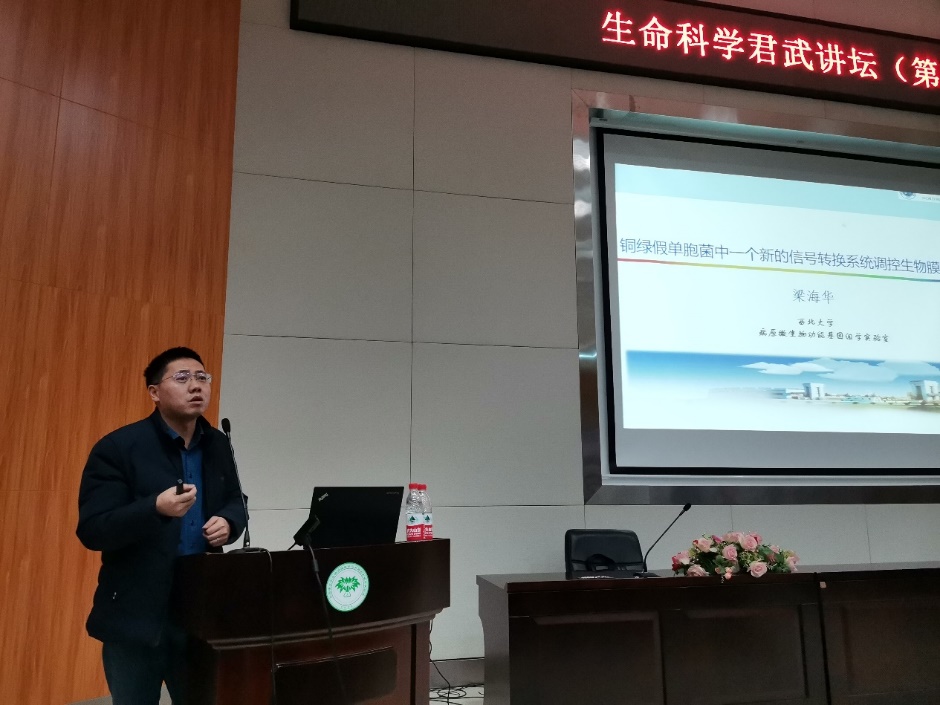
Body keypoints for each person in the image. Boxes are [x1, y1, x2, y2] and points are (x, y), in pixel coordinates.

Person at [77, 347, 248, 705]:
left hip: (201, 608)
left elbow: (236, 499)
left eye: (202, 377)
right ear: (154, 392)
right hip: (137, 610)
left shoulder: (217, 443)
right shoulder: (119, 447)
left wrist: (229, 521)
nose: (196, 386)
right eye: (182, 378)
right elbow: (94, 528)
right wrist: (154, 508)